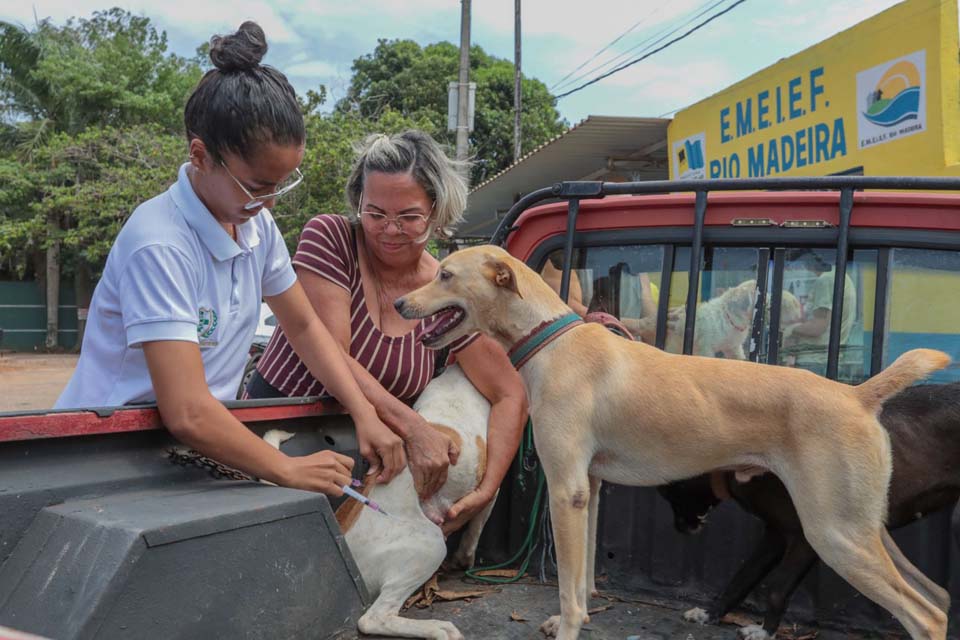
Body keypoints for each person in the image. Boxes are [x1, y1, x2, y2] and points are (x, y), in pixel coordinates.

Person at [55, 22, 399, 498]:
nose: (271, 202)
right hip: (108, 450)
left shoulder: (254, 225)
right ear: (200, 155)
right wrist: (286, 469)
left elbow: (303, 328)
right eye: (258, 187)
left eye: (281, 185)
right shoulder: (161, 245)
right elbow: (188, 411)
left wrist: (364, 413)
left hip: (192, 444)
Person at [247, 131, 528, 533]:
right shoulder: (331, 238)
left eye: (409, 218)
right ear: (357, 202)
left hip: (367, 470)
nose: (389, 230)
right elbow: (331, 353)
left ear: (436, 211)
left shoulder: (446, 288)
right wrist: (414, 428)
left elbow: (508, 392)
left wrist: (485, 491)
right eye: (375, 213)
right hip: (278, 444)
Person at [781, 249, 858, 374]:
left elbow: (818, 327)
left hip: (815, 361)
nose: (804, 265)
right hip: (826, 360)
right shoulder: (840, 276)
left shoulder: (825, 280)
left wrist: (790, 330)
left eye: (804, 261)